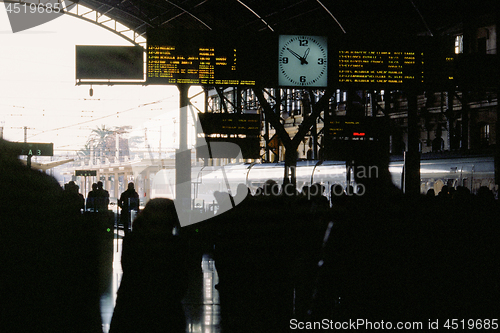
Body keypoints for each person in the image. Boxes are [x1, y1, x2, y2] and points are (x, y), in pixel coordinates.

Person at [109, 198, 188, 333]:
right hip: (167, 311)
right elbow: (181, 284)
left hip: (130, 308)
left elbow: (129, 269)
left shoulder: (132, 241)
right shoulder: (176, 246)